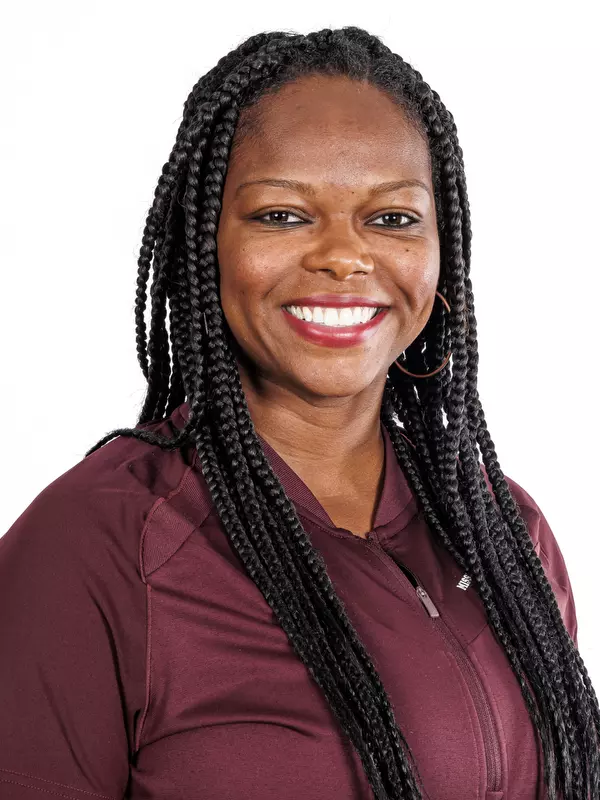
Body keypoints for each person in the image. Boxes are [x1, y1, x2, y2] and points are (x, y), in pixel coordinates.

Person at [0, 25, 597, 800]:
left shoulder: (503, 530)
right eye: (282, 215)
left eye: (392, 219)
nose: (344, 257)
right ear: (203, 244)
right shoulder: (98, 546)